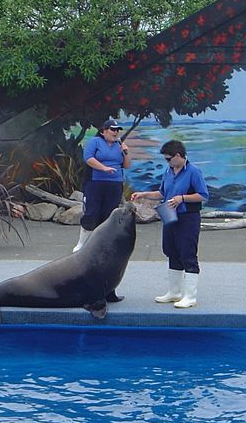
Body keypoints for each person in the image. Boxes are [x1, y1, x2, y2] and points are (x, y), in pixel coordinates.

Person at [131, 140, 209, 308]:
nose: (167, 162)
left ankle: (190, 296)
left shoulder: (193, 171)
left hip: (188, 217)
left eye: (168, 159)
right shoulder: (168, 171)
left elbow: (203, 195)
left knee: (188, 254)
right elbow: (162, 193)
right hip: (170, 217)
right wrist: (143, 194)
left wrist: (182, 198)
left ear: (179, 156)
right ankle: (174, 292)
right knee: (172, 252)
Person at [72, 118, 132, 252]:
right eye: (112, 130)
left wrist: (126, 152)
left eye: (117, 130)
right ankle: (82, 243)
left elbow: (127, 165)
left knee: (109, 214)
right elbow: (88, 158)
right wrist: (103, 168)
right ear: (104, 131)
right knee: (91, 212)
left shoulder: (119, 145)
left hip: (115, 183)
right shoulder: (95, 142)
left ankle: (103, 244)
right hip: (95, 182)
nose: (115, 132)